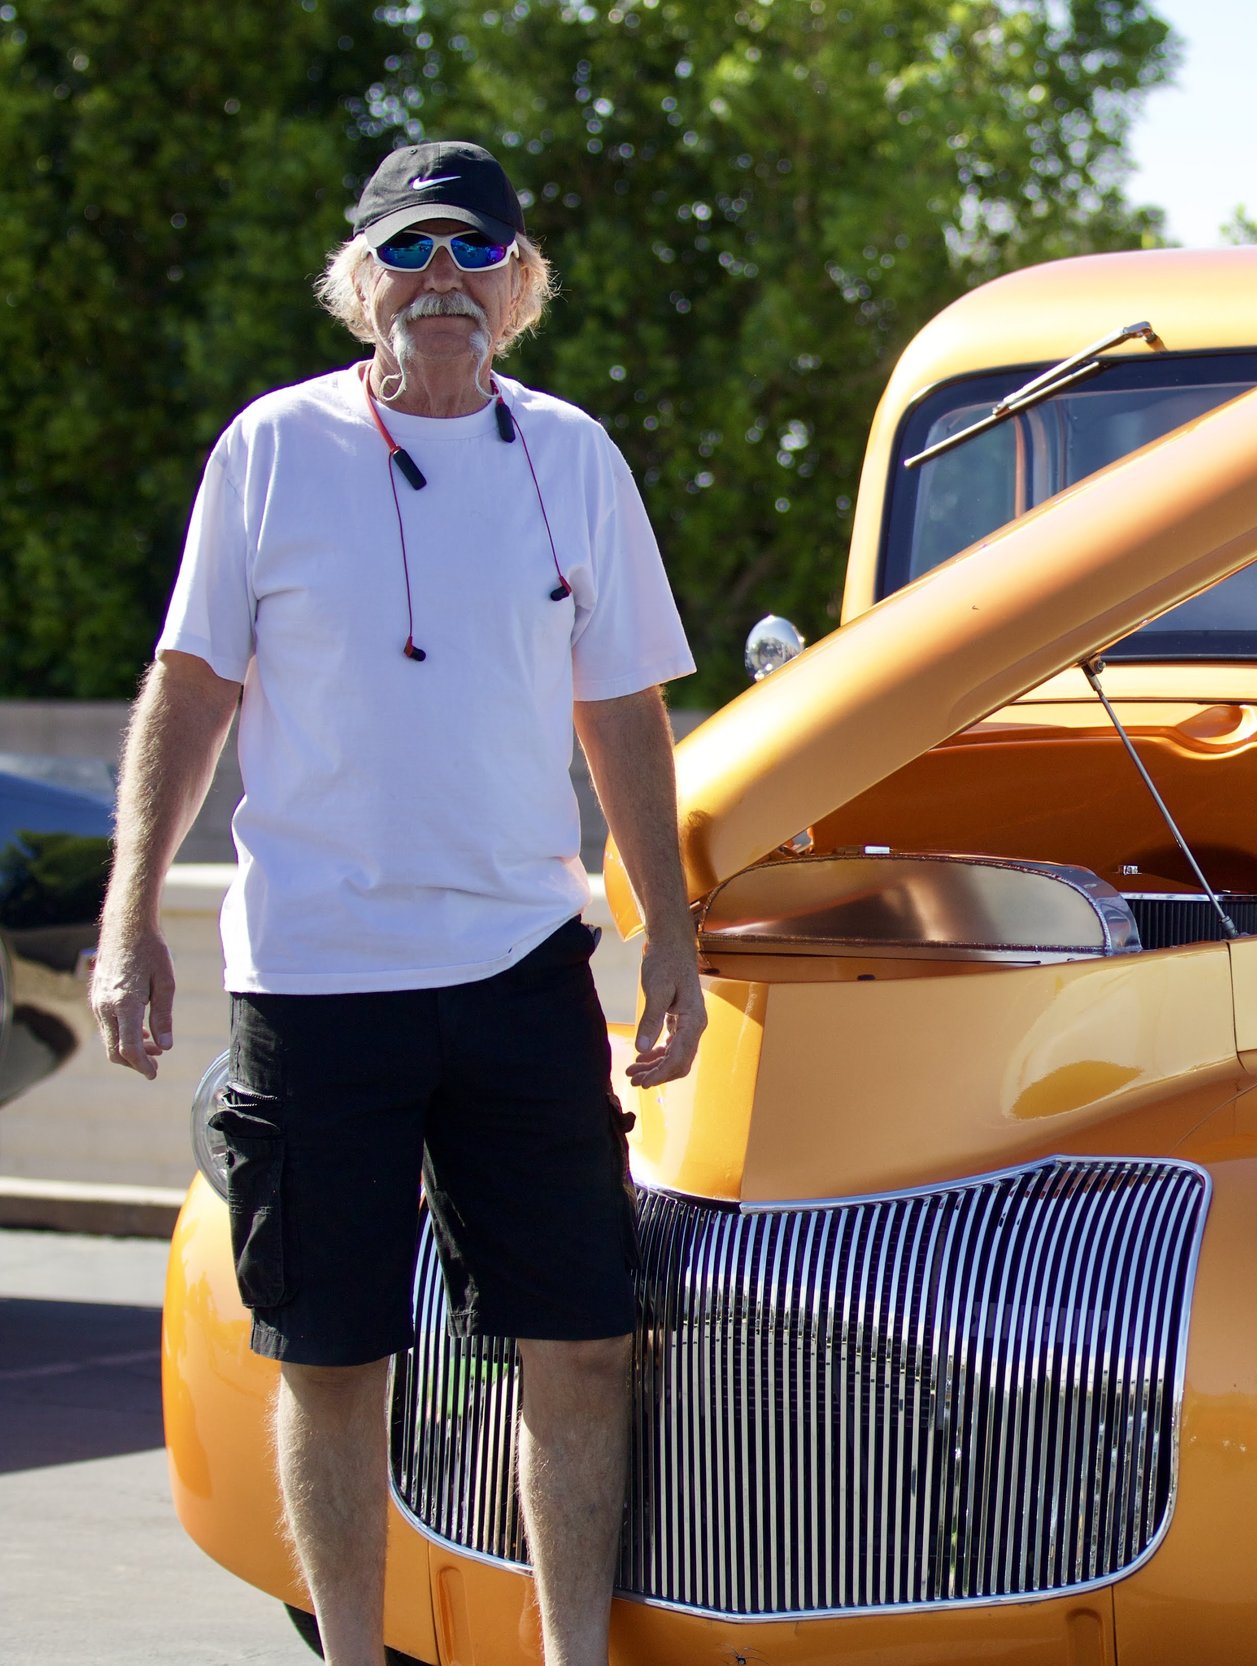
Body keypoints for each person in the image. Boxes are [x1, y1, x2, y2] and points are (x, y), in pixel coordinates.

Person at [87, 141, 704, 1666]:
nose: (444, 283)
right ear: (362, 281)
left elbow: (622, 711)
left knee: (576, 1347)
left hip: (519, 968)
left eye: (473, 256)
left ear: (521, 283)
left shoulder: (575, 457)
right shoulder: (271, 450)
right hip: (314, 977)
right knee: (335, 1359)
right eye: (411, 256)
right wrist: (127, 918)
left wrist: (671, 934)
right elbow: (192, 687)